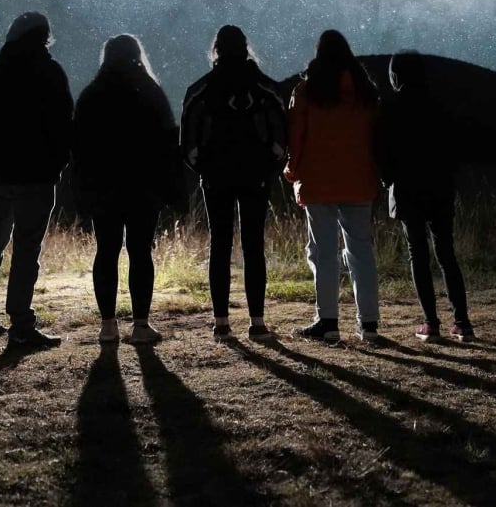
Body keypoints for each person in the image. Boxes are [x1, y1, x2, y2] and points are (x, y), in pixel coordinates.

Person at [0, 11, 72, 347]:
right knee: (27, 249)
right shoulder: (50, 73)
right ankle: (21, 325)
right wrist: (57, 165)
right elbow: (63, 124)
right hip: (37, 176)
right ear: (44, 36)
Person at [73, 34, 182, 344]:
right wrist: (171, 189)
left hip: (103, 187)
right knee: (140, 253)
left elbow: (79, 146)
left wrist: (82, 191)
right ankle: (141, 325)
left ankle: (108, 326)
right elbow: (167, 144)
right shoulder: (151, 91)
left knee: (106, 252)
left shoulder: (92, 94)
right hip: (143, 187)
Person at [181, 25, 287, 341]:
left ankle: (222, 324)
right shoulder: (265, 87)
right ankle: (257, 323)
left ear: (216, 49)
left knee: (220, 245)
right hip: (256, 175)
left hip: (216, 176)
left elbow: (187, 142)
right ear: (245, 48)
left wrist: (202, 167)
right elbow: (282, 133)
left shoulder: (201, 88)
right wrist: (270, 167)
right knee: (254, 246)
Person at [285, 29, 382, 342]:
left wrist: (292, 171)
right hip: (359, 179)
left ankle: (328, 322)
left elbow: (295, 136)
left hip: (318, 181)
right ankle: (369, 324)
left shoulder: (307, 90)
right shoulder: (366, 92)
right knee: (361, 252)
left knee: (323, 252)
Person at [379, 50, 475, 342]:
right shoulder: (440, 105)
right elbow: (456, 148)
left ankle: (431, 324)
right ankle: (462, 323)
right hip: (440, 187)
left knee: (417, 254)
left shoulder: (390, 108)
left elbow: (382, 153)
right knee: (446, 253)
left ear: (395, 76)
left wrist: (387, 179)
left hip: (407, 190)